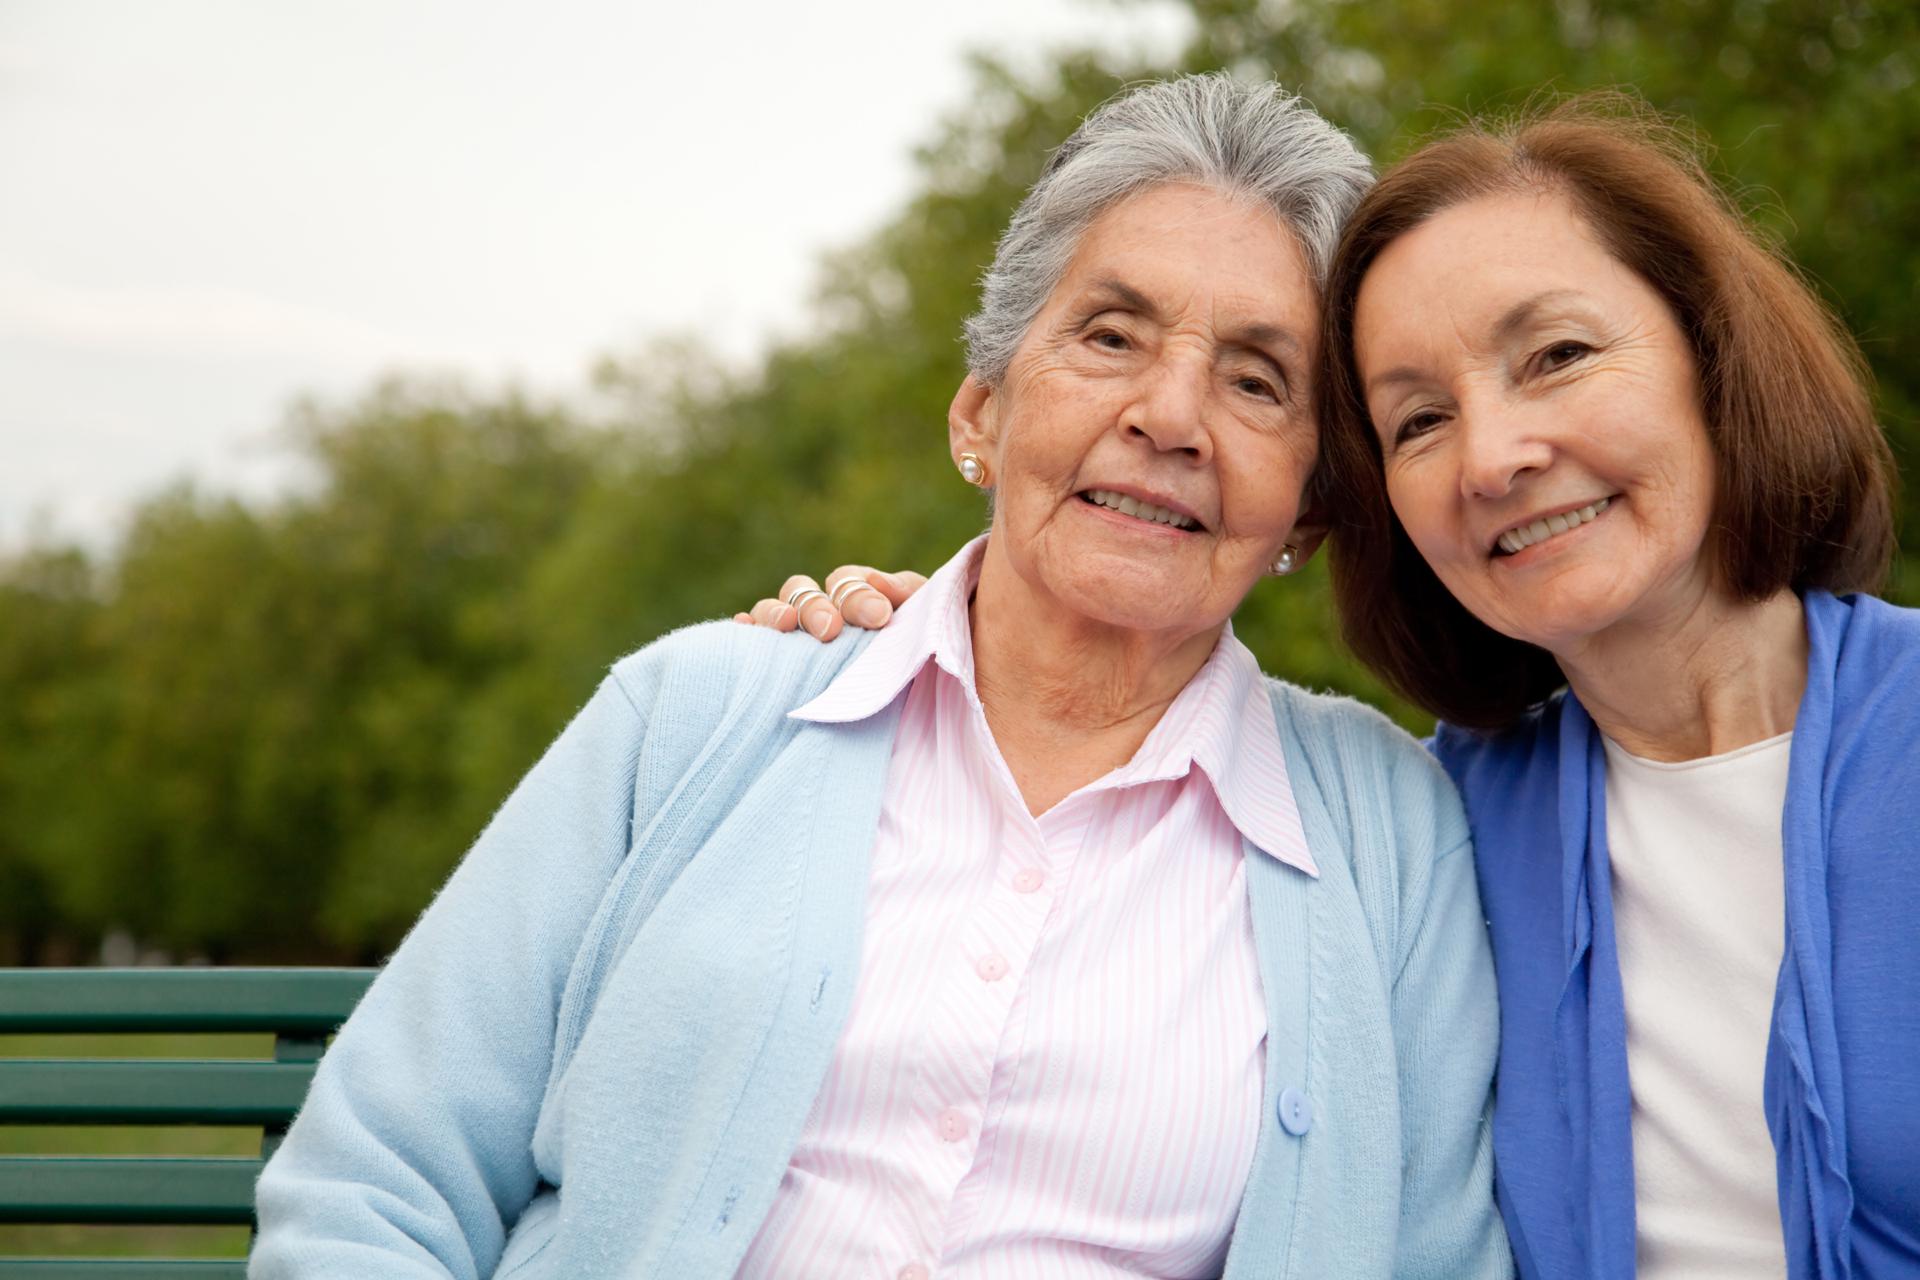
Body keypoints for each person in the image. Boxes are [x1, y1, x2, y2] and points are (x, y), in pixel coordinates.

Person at [251, 76, 1512, 1279]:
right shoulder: (695, 712)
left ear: (1309, 505)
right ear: (982, 414)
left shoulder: (1393, 839)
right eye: (1111, 334)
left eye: (1256, 378)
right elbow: (376, 1183)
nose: (1170, 414)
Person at [761, 98, 1920, 1279]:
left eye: (1558, 356)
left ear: (1711, 357)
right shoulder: (1428, 828)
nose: (1494, 457)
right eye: (1420, 420)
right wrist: (938, 642)